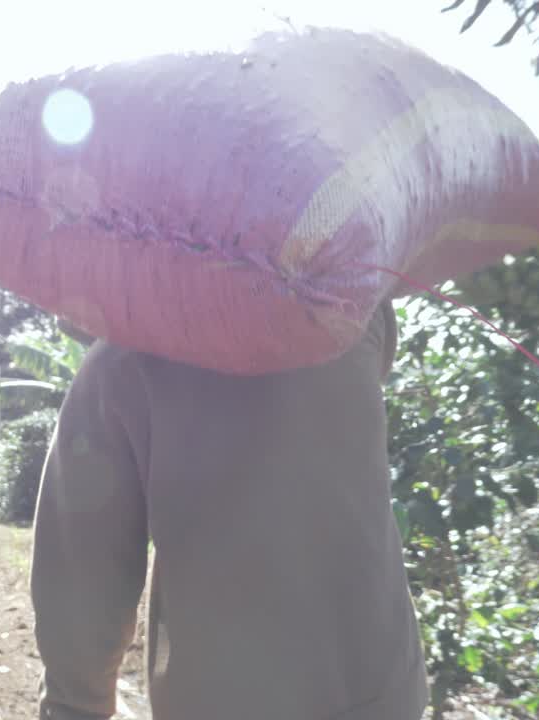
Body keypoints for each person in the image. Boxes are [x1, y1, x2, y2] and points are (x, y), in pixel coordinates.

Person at [30, 301, 428, 720]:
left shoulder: (118, 364)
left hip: (225, 699)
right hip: (381, 689)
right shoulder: (353, 315)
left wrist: (74, 705)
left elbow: (84, 573)